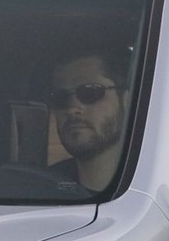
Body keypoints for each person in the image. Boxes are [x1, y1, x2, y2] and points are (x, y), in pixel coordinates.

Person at [45, 50, 131, 192]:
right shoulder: (42, 189)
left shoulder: (161, 186)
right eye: (60, 97)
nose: (72, 108)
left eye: (90, 92)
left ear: (126, 100)